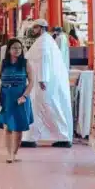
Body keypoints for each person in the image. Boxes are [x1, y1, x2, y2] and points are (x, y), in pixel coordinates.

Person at [22, 19, 74, 147]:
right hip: (40, 82)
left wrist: (42, 79)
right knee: (36, 108)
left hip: (43, 83)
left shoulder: (44, 41)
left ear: (41, 28)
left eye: (35, 28)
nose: (33, 30)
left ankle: (63, 136)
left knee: (49, 107)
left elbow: (44, 60)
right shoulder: (45, 40)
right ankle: (30, 137)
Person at [0, 38, 35, 163]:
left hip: (20, 98)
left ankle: (15, 153)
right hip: (6, 98)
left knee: (18, 128)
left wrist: (25, 96)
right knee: (8, 127)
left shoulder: (25, 63)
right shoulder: (3, 63)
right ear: (9, 50)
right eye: (14, 48)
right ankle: (9, 154)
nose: (17, 50)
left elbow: (31, 82)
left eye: (19, 48)